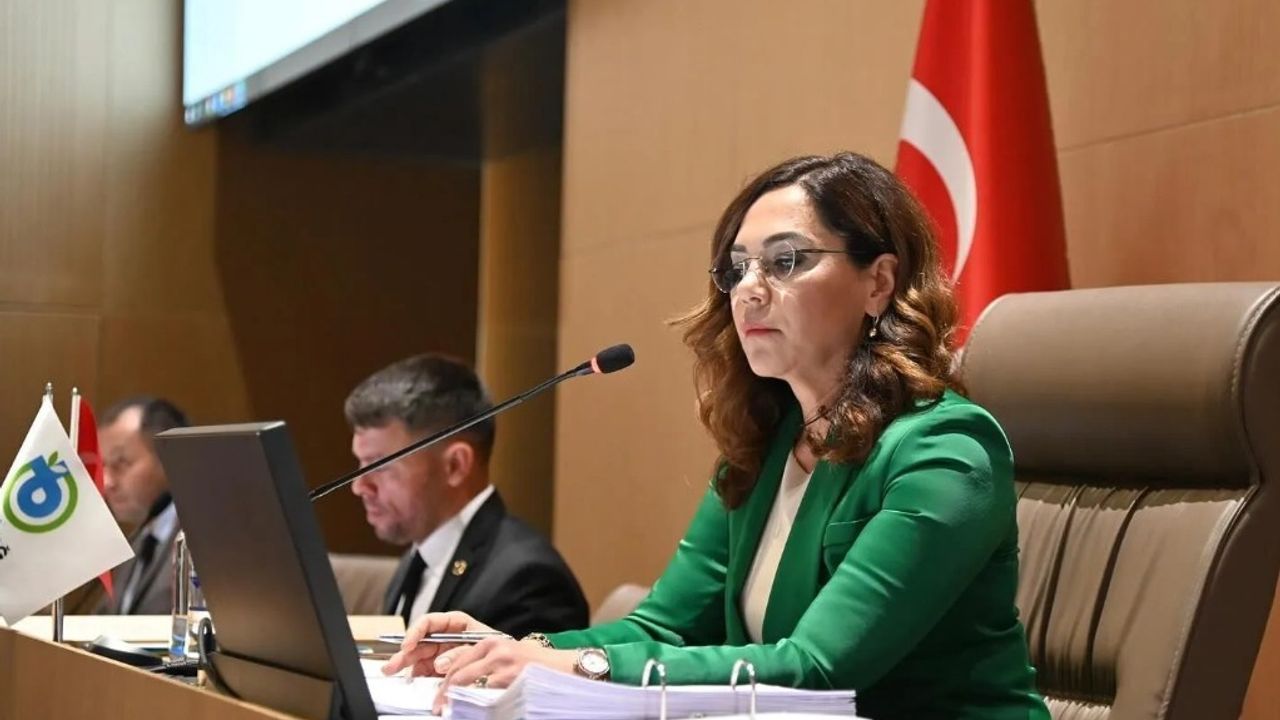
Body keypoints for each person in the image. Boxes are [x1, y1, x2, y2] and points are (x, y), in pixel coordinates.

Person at [384, 152, 1051, 719]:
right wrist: (517, 649)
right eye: (737, 268)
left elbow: (818, 668)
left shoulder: (946, 451)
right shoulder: (765, 448)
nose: (749, 292)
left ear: (878, 282)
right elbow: (662, 627)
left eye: (786, 261)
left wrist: (580, 667)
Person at [345, 354, 589, 638]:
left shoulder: (529, 581)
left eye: (379, 466)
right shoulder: (416, 561)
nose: (359, 486)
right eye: (361, 464)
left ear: (455, 465)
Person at [96, 396, 190, 615]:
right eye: (103, 466)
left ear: (169, 458)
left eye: (121, 462)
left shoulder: (205, 543)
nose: (107, 482)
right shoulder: (139, 541)